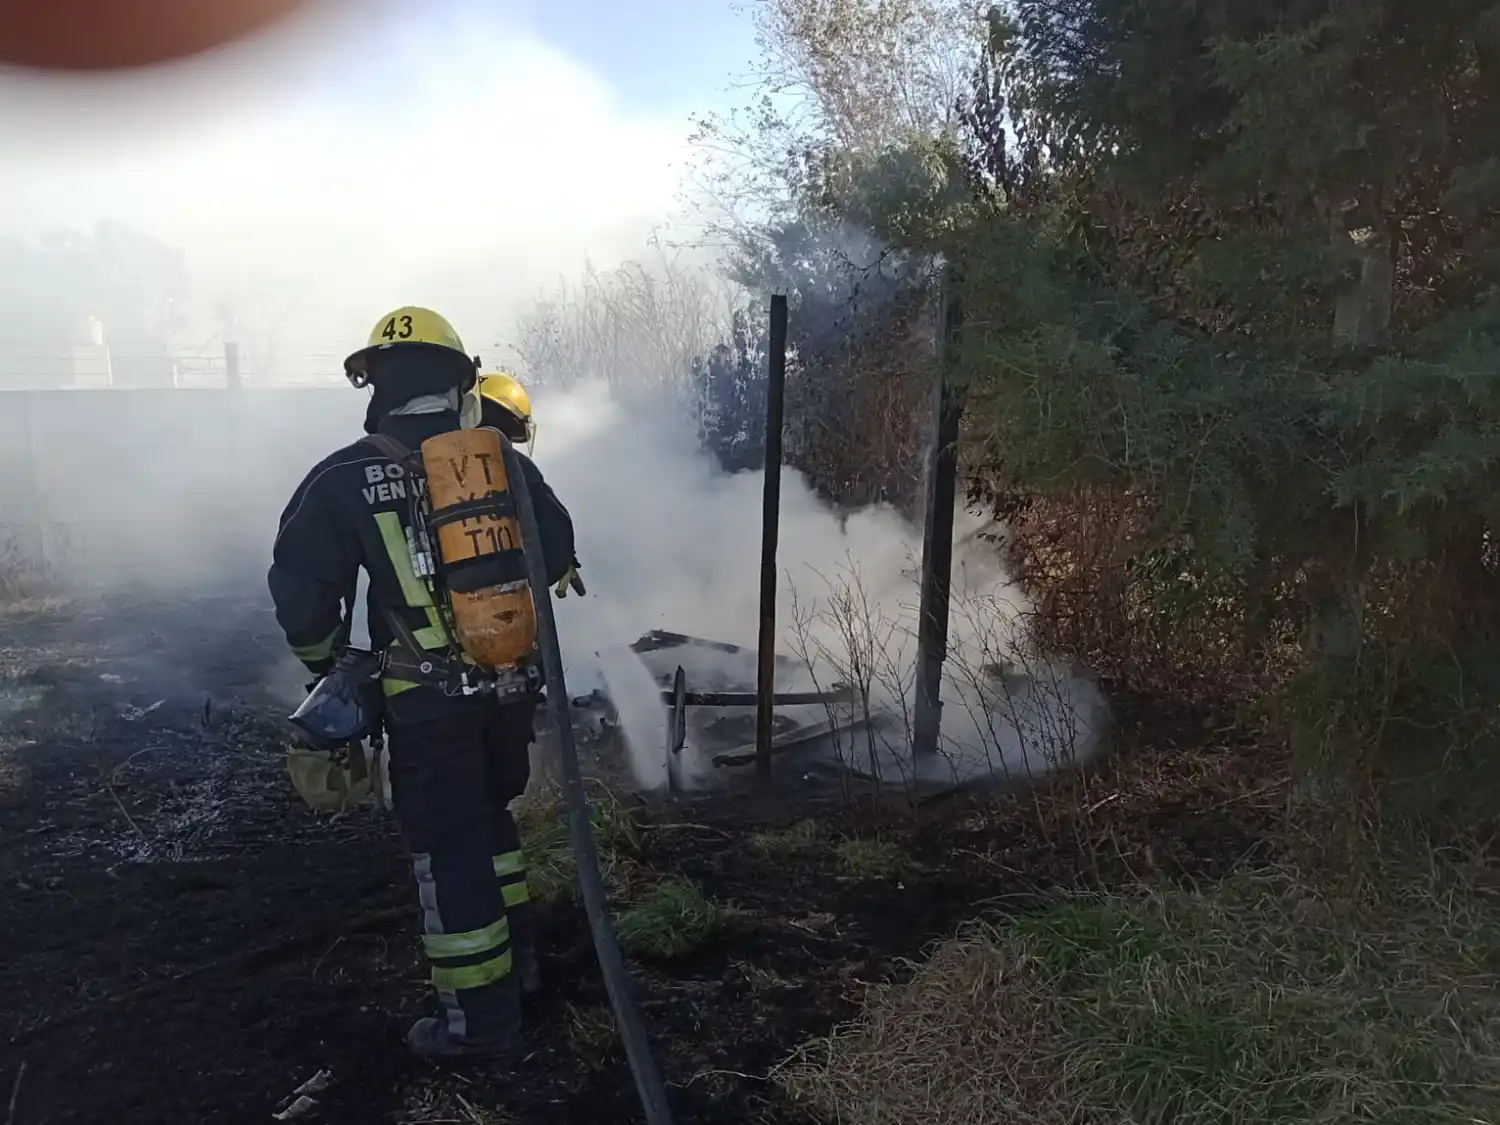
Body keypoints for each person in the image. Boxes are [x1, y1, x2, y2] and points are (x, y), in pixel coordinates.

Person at [267, 306, 576, 1061]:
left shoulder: (343, 474)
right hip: (508, 687)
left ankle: (477, 1025)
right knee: (494, 825)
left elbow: (301, 590)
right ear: (458, 380)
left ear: (375, 383)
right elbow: (560, 549)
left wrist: (331, 666)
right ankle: (521, 972)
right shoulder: (503, 460)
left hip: (424, 700)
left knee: (450, 849)